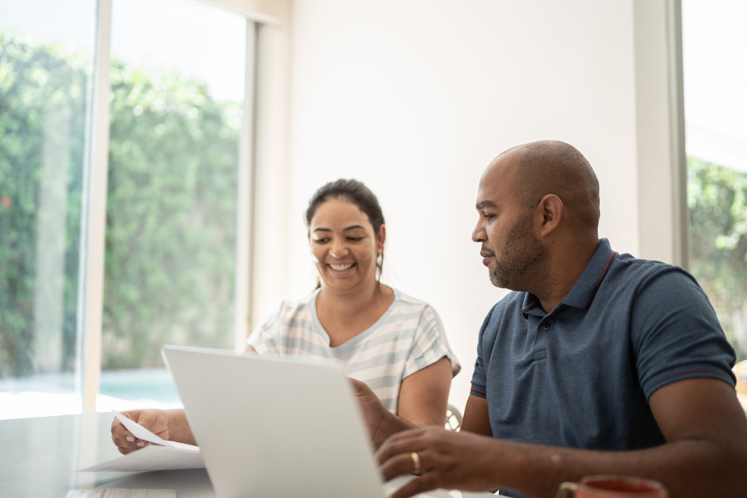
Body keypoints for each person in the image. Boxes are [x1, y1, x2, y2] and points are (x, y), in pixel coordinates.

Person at [368, 141, 747, 498]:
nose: (476, 233)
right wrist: (387, 430)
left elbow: (727, 468)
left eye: (489, 214)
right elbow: (475, 462)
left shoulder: (657, 298)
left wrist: (517, 464)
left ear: (547, 215)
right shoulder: (500, 322)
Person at [111, 178, 460, 454]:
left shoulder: (417, 322)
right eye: (322, 238)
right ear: (310, 243)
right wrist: (160, 425)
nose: (337, 251)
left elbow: (430, 449)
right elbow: (228, 410)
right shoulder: (284, 323)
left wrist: (380, 424)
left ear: (380, 238)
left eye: (353, 236)